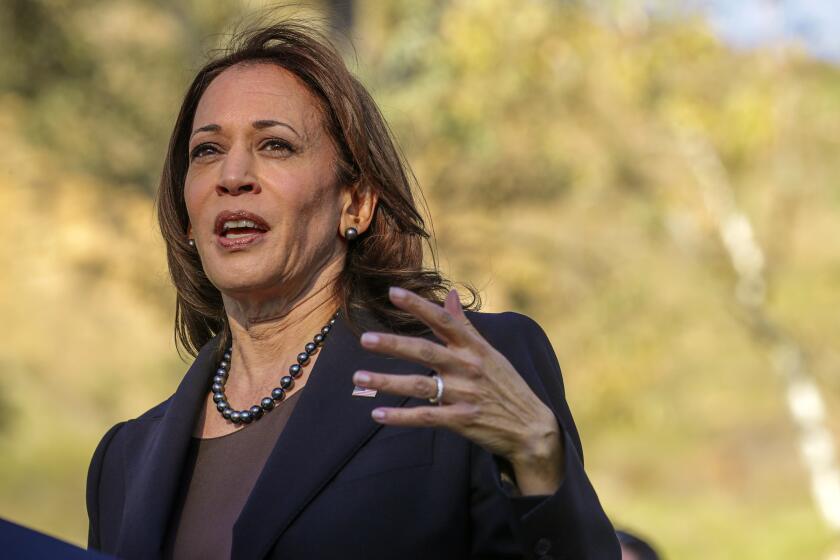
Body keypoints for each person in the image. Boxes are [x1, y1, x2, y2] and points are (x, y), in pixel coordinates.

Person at [85, 20, 619, 560]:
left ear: (356, 204)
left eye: (275, 145)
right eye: (206, 151)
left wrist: (539, 458)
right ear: (186, 214)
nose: (233, 175)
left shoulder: (460, 369)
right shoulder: (123, 460)